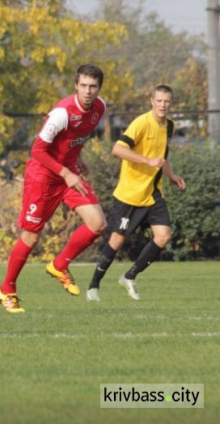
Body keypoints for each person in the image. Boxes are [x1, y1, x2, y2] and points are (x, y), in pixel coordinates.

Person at [0, 64, 108, 313]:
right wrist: (66, 172)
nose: (88, 91)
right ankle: (7, 289)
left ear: (99, 88)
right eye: (83, 86)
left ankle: (59, 265)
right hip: (43, 177)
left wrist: (76, 160)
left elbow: (72, 139)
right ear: (75, 86)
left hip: (68, 175)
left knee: (98, 224)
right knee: (32, 236)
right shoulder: (61, 113)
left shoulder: (99, 108)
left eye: (93, 86)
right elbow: (37, 150)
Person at [87, 85, 186, 301]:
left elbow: (162, 155)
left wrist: (171, 175)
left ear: (171, 103)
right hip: (130, 194)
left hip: (152, 192)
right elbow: (118, 149)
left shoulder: (169, 125)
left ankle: (130, 276)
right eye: (159, 101)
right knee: (117, 241)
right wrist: (147, 161)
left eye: (167, 101)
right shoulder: (141, 123)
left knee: (163, 236)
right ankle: (93, 286)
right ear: (151, 101)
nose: (163, 105)